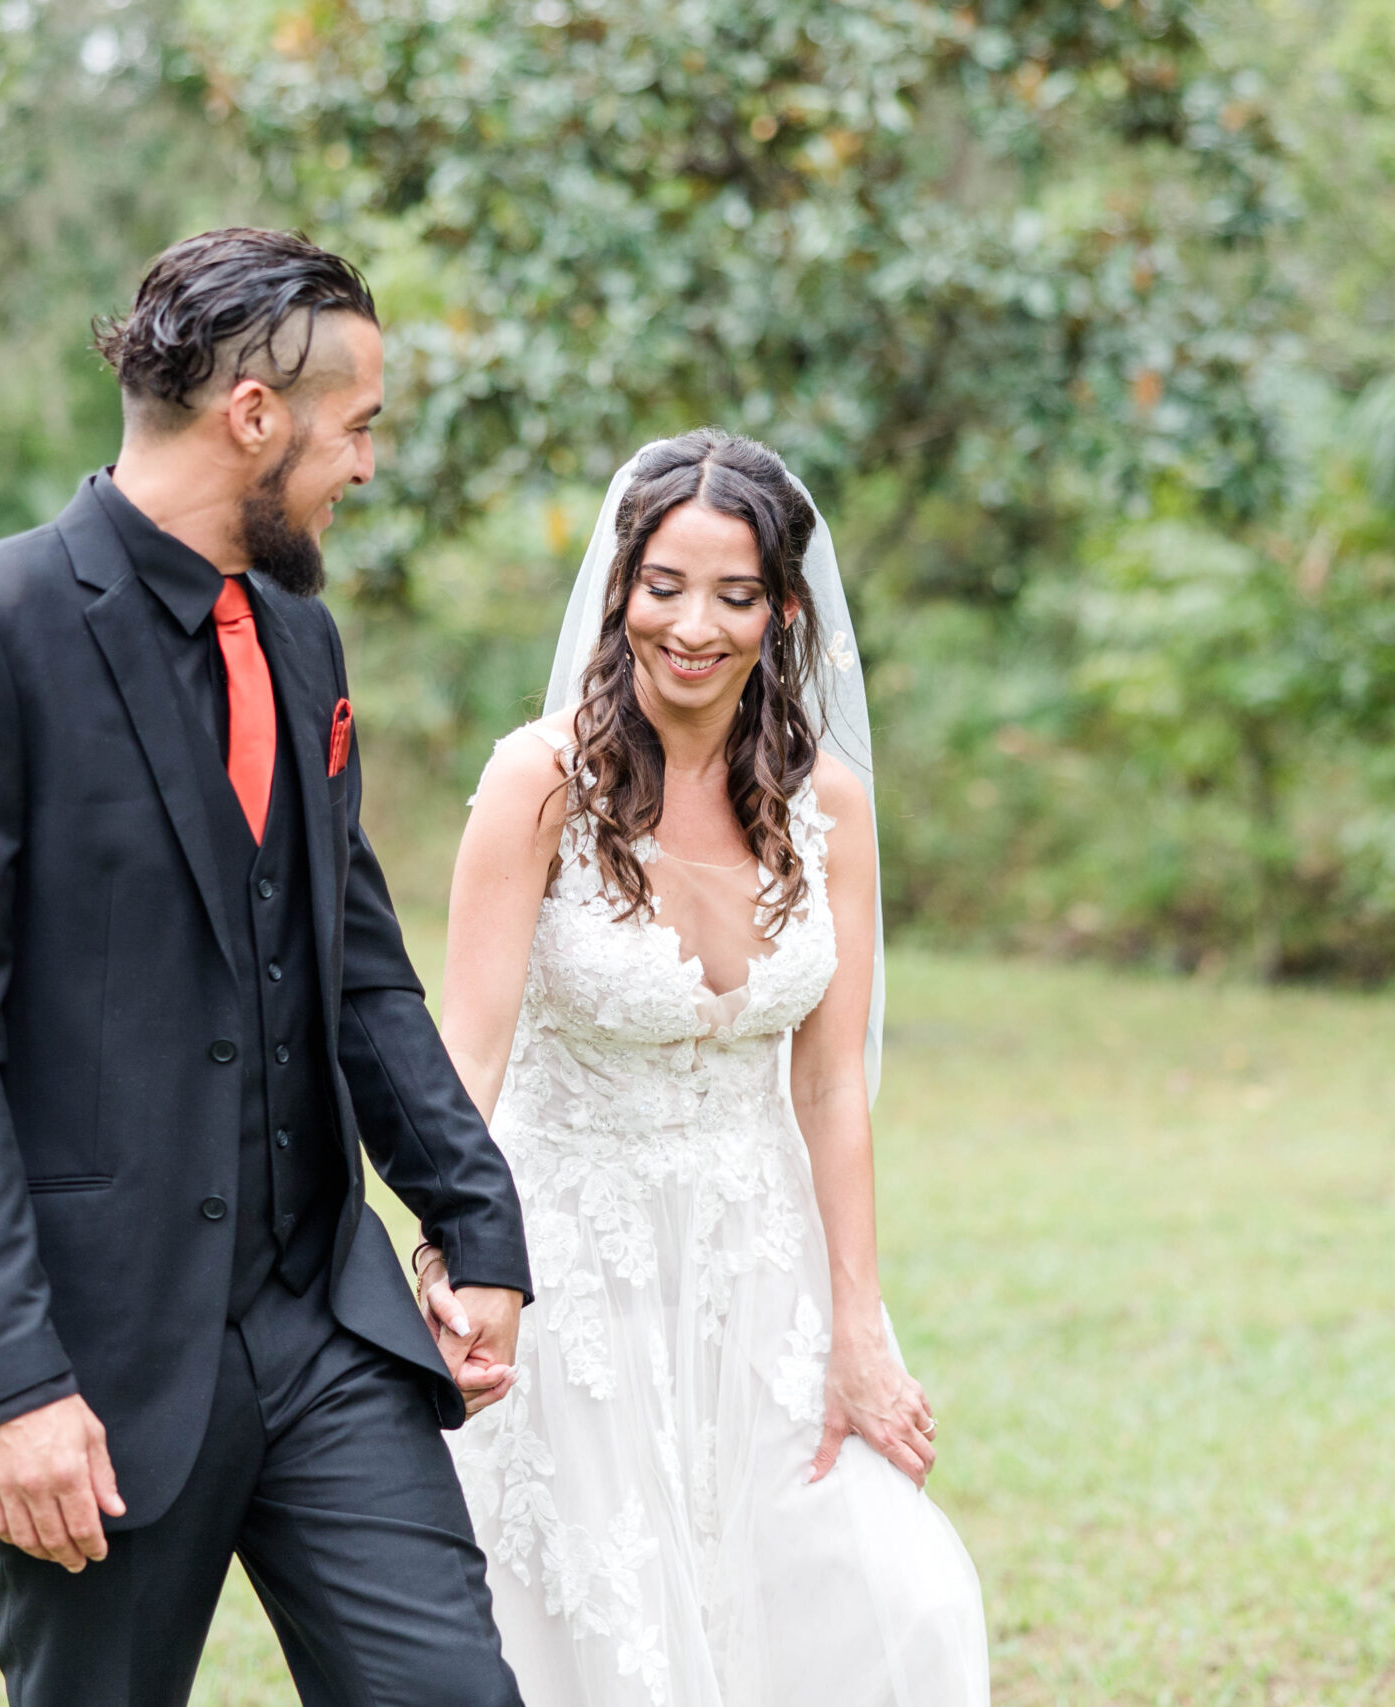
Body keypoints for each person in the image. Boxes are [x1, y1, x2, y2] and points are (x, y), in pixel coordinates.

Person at [0, 227, 532, 1707]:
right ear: (253, 417)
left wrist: (477, 1222)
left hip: (321, 1325)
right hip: (91, 1352)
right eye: (355, 428)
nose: (363, 465)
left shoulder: (300, 635)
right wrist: (13, 1383)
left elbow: (357, 964)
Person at [429, 430, 990, 1705]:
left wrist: (858, 1323)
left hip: (762, 1270)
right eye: (665, 585)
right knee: (615, 1640)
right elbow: (467, 1052)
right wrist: (448, 1257)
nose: (693, 624)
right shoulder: (541, 782)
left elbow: (830, 1087)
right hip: (568, 1270)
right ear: (622, 586)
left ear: (782, 609)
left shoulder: (827, 807)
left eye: (734, 594)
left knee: (891, 1598)